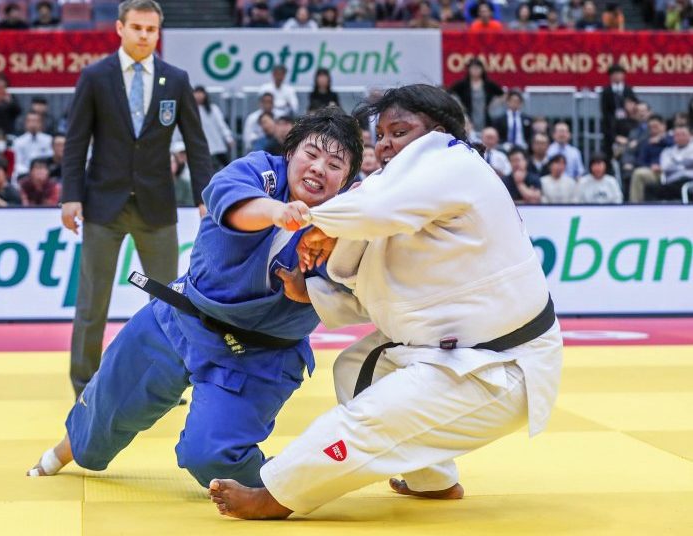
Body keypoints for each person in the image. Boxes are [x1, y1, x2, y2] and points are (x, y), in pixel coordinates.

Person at [208, 84, 563, 519]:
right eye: (381, 135)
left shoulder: (453, 163)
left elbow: (374, 210)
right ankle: (432, 479)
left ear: (436, 130)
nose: (386, 143)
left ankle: (277, 493)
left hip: (501, 366)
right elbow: (386, 291)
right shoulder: (406, 194)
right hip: (455, 352)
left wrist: (318, 222)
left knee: (371, 419)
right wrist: (314, 289)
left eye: (400, 131)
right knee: (359, 369)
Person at [26, 108, 364, 492]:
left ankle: (287, 490)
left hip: (258, 356)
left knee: (212, 457)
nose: (319, 168)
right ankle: (59, 454)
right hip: (182, 316)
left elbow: (358, 295)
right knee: (108, 403)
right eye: (312, 154)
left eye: (335, 164)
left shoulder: (352, 226)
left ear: (348, 181)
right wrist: (278, 214)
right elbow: (232, 205)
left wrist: (309, 293)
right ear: (289, 154)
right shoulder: (259, 173)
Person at [60, 0, 213, 398]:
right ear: (120, 29)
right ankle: (85, 385)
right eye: (138, 28)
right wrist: (70, 197)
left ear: (158, 32)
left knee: (167, 301)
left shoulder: (175, 79)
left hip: (156, 206)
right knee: (93, 300)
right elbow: (76, 142)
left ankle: (166, 382)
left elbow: (197, 145)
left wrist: (205, 197)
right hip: (102, 206)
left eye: (151, 29)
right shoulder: (95, 76)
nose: (145, 35)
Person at [448, 58, 504, 133]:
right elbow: (450, 93)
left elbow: (503, 95)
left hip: (485, 117)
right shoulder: (463, 84)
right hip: (468, 117)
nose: (475, 70)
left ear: (482, 70)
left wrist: (493, 105)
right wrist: (460, 106)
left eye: (478, 68)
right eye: (473, 68)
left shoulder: (488, 84)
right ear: (469, 70)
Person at [192, 85, 235, 171]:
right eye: (197, 93)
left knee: (228, 168)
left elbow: (221, 125)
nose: (199, 95)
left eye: (201, 93)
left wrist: (228, 138)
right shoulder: (191, 110)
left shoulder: (213, 109)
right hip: (201, 147)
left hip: (217, 145)